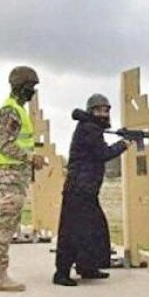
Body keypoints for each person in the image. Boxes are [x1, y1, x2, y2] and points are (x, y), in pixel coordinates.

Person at [0, 66, 45, 292]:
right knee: (5, 226)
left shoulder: (15, 110)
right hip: (9, 174)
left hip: (10, 174)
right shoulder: (11, 111)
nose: (33, 92)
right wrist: (30, 158)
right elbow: (6, 144)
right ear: (22, 86)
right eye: (31, 87)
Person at [53, 94, 130, 286]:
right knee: (73, 232)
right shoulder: (89, 129)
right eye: (98, 110)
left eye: (106, 110)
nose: (103, 113)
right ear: (91, 111)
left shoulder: (91, 128)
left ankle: (87, 266)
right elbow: (103, 153)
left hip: (85, 189)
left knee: (92, 230)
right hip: (80, 189)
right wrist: (123, 144)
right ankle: (62, 273)